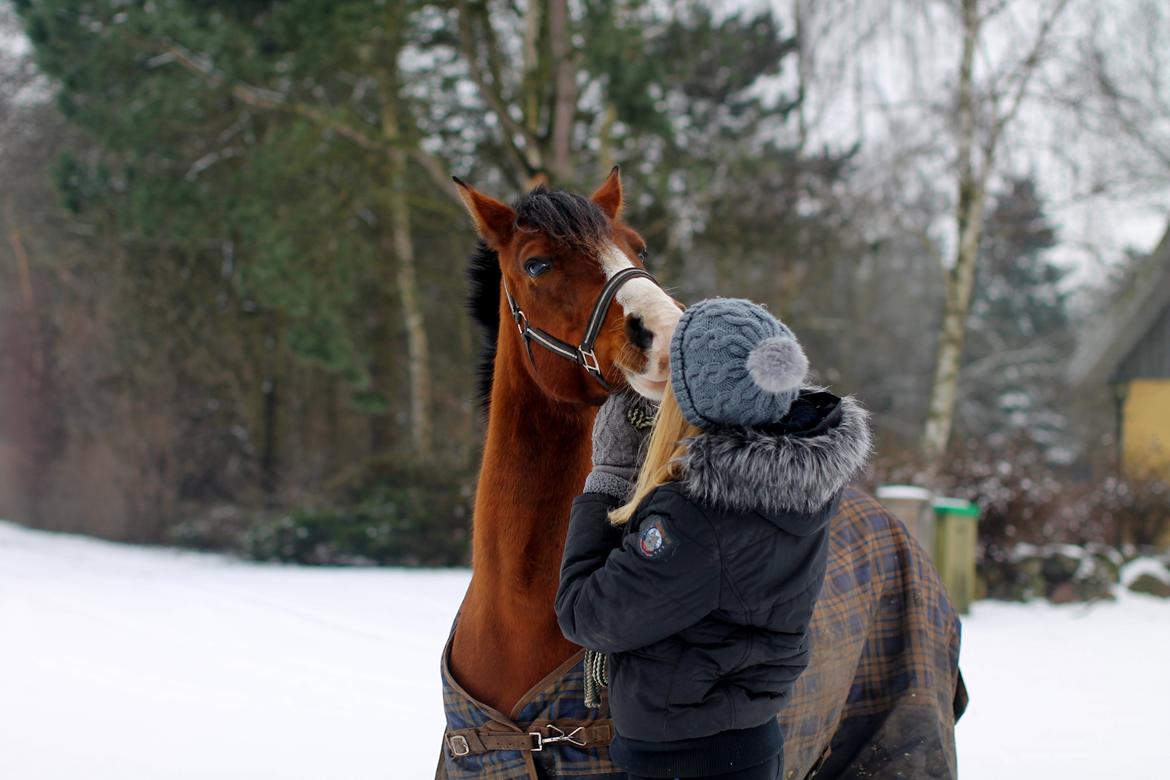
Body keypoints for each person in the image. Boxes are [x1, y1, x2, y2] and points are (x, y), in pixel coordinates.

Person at [555, 298, 872, 780]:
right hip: (745, 744)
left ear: (696, 398)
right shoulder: (800, 485)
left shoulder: (696, 518)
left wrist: (611, 476)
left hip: (687, 761)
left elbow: (587, 615)